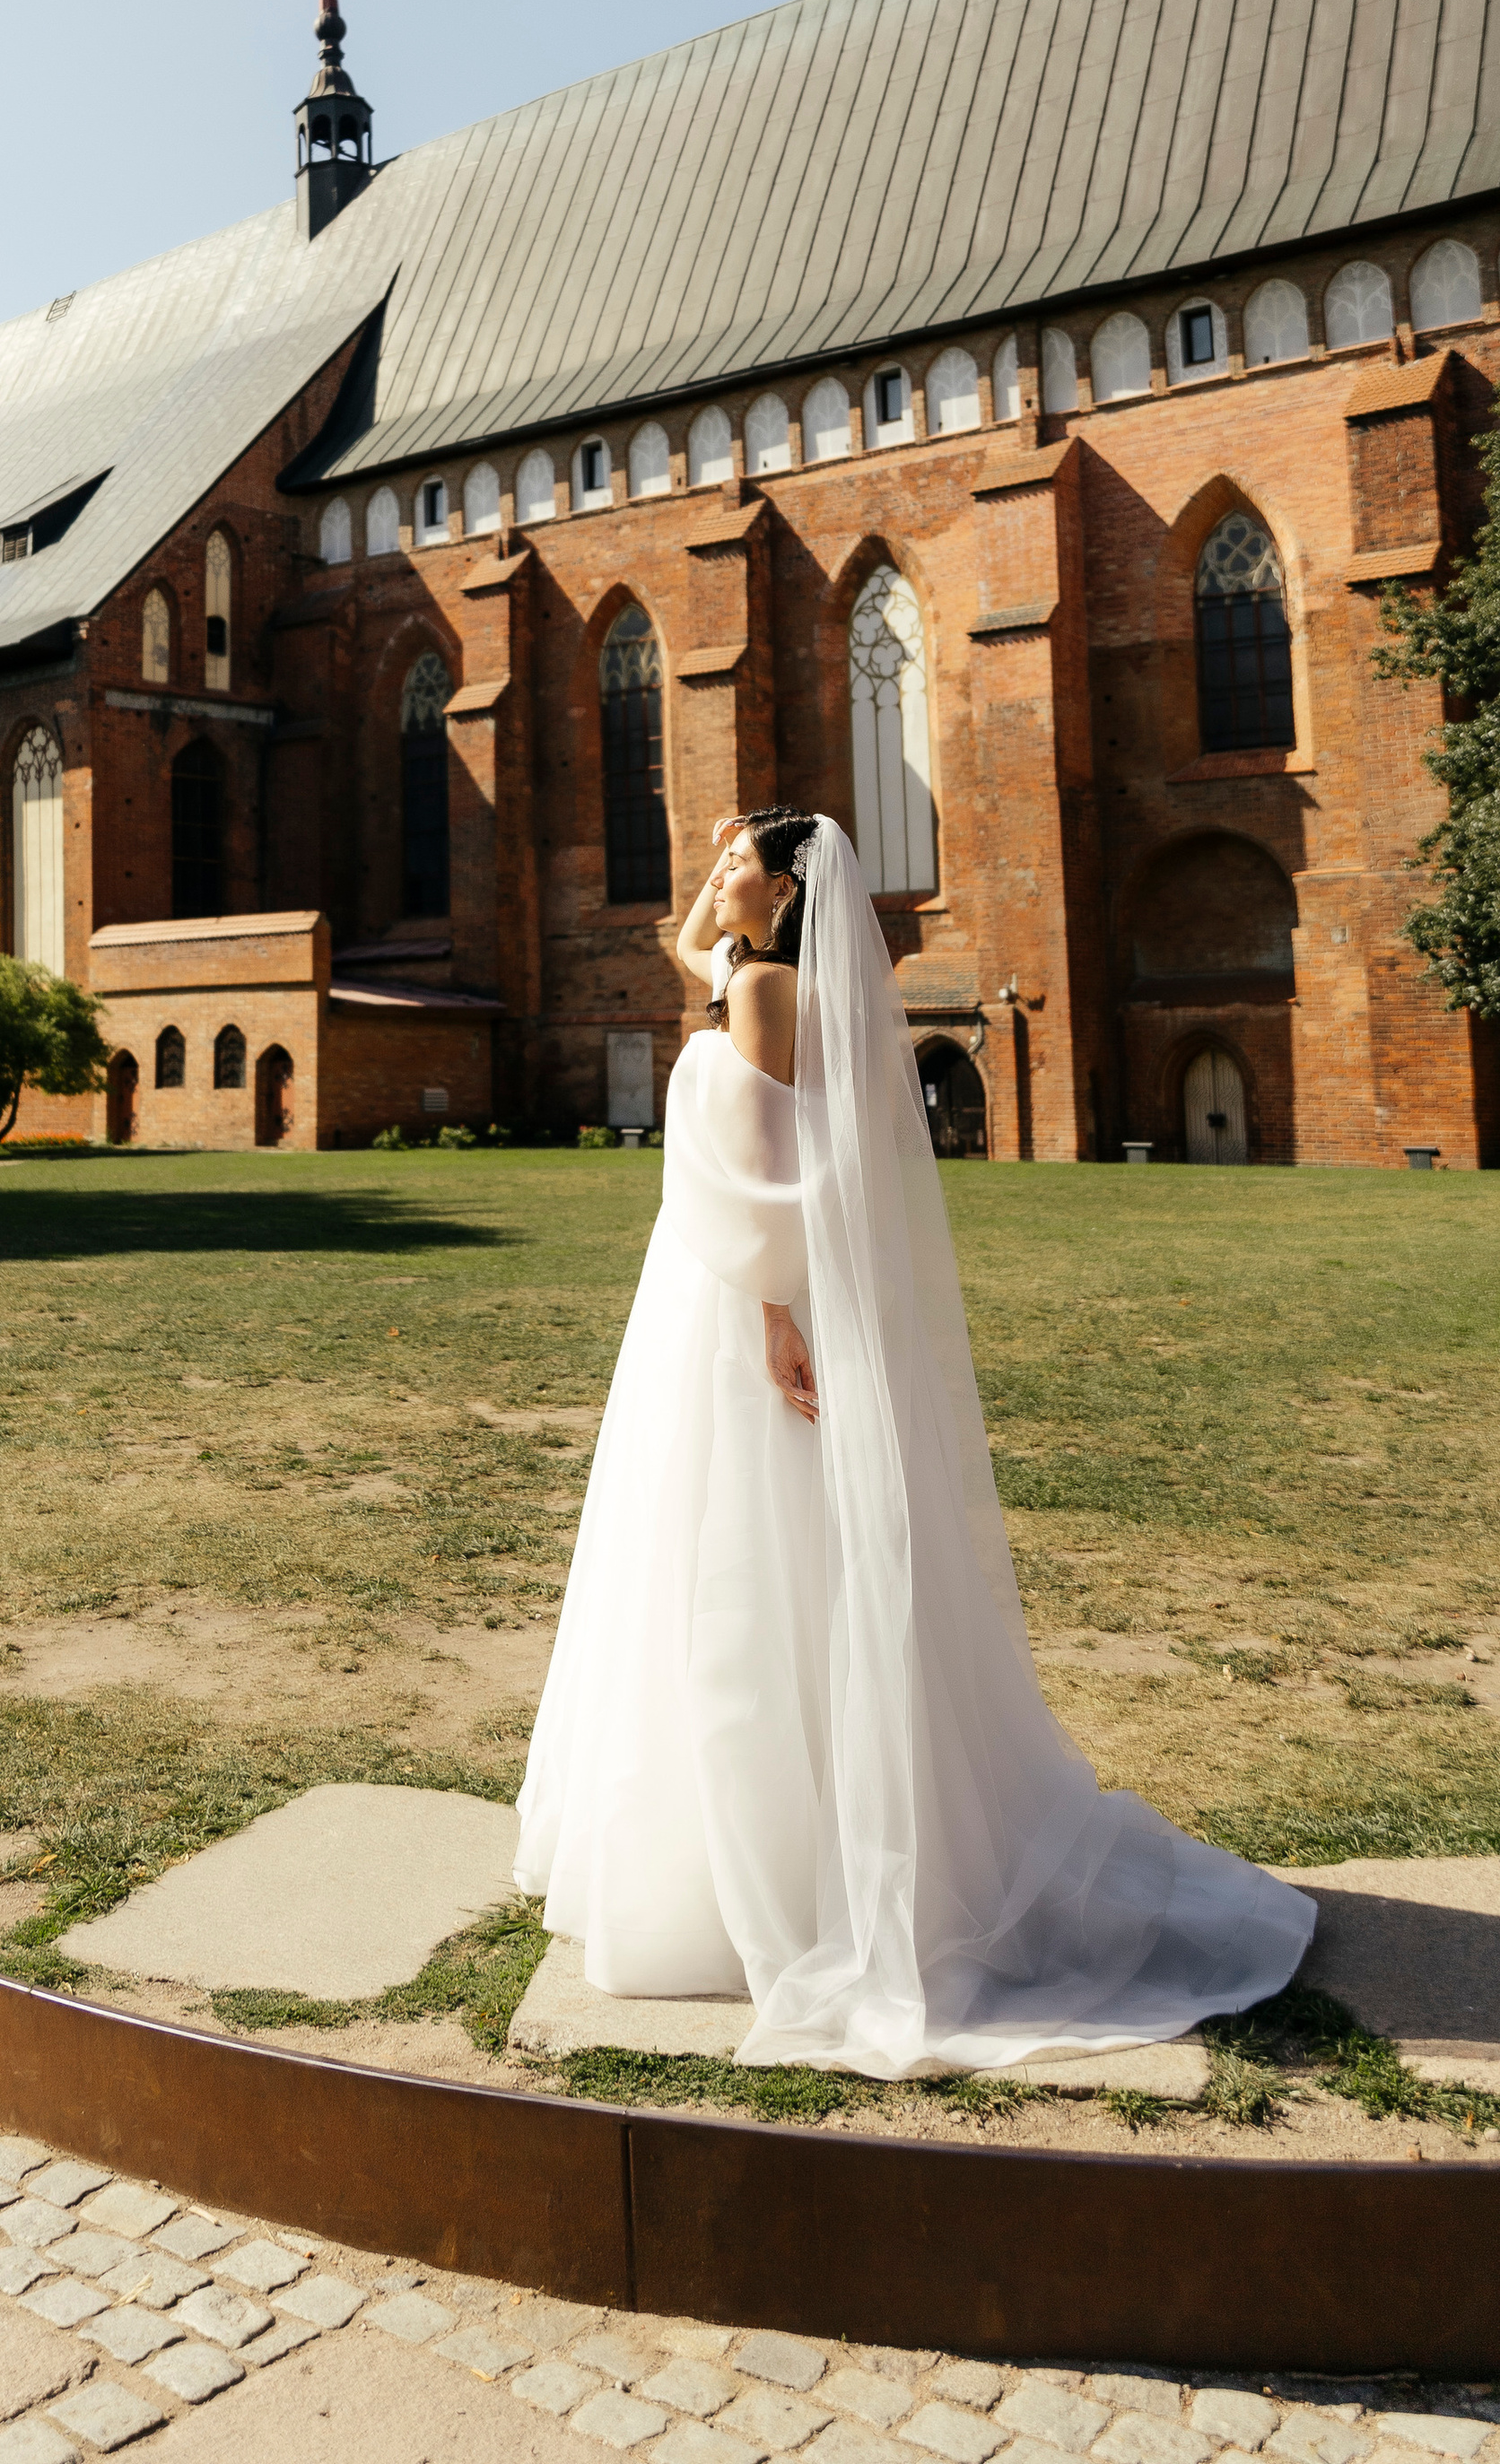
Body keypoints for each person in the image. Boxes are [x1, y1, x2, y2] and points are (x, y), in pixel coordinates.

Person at [513, 806, 1313, 2078]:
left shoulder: (768, 993)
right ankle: (730, 1854)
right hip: (703, 1289)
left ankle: (778, 1870)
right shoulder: (741, 969)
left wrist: (776, 1312)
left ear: (779, 900)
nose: (715, 884)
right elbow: (681, 945)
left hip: (745, 1297)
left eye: (736, 870)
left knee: (747, 1560)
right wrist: (721, 861)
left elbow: (783, 1171)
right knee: (695, 1545)